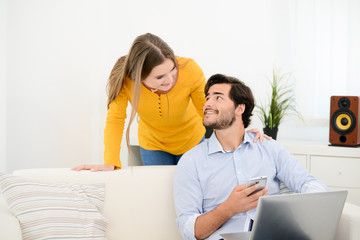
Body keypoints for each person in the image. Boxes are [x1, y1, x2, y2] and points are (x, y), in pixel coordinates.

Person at [72, 33, 268, 171]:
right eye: (159, 77)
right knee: (160, 197)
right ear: (139, 76)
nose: (170, 79)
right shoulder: (125, 81)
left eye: (172, 69)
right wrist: (110, 162)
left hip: (191, 141)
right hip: (153, 144)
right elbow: (115, 120)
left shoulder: (190, 69)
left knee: (192, 194)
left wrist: (240, 132)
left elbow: (208, 109)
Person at [173, 74, 328, 240]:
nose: (208, 104)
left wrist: (299, 209)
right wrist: (228, 208)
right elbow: (190, 231)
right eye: (207, 97)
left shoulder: (268, 148)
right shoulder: (191, 162)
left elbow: (310, 183)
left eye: (218, 97)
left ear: (240, 108)